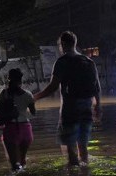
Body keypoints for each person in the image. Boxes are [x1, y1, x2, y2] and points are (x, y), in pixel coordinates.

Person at [33, 31, 102, 166]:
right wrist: (98, 106)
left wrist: (35, 97)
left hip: (70, 109)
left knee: (70, 148)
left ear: (62, 45)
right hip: (87, 108)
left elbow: (53, 87)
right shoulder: (88, 61)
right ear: (75, 43)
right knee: (83, 147)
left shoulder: (62, 62)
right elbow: (97, 86)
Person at [0, 68, 36, 172]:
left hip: (11, 130)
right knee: (22, 161)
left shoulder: (4, 93)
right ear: (21, 80)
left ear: (9, 79)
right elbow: (33, 113)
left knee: (14, 165)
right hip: (26, 130)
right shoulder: (28, 95)